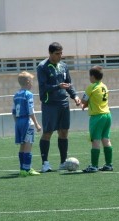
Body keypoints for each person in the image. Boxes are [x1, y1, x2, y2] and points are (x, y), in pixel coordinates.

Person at [37, 42, 81, 172]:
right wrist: (58, 86)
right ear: (50, 53)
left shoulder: (64, 66)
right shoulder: (42, 67)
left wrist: (75, 96)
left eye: (61, 53)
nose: (60, 56)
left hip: (63, 103)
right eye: (57, 54)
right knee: (48, 132)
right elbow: (43, 87)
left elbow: (68, 84)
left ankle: (63, 162)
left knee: (64, 132)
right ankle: (45, 163)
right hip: (50, 104)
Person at [81, 66, 113, 173]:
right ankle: (109, 164)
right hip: (107, 115)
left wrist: (82, 104)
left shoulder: (91, 87)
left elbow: (83, 100)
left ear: (93, 76)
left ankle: (94, 166)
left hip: (97, 116)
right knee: (106, 139)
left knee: (95, 140)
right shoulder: (104, 86)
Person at [12, 71, 42, 177]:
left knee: (22, 144)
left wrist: (17, 123)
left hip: (18, 122)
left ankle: (22, 169)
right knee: (28, 144)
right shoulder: (28, 94)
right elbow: (31, 111)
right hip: (26, 121)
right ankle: (27, 168)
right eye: (32, 81)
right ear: (28, 82)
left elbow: (13, 111)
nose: (33, 84)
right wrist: (37, 124)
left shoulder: (16, 95)